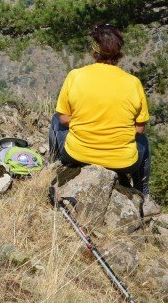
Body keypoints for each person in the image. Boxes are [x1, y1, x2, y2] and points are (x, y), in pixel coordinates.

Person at [49, 24, 151, 195]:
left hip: (77, 154)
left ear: (94, 51)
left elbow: (64, 119)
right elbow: (139, 129)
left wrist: (88, 124)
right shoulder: (133, 83)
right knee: (144, 142)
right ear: (119, 53)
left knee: (55, 119)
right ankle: (143, 193)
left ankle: (57, 167)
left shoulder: (76, 75)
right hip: (123, 162)